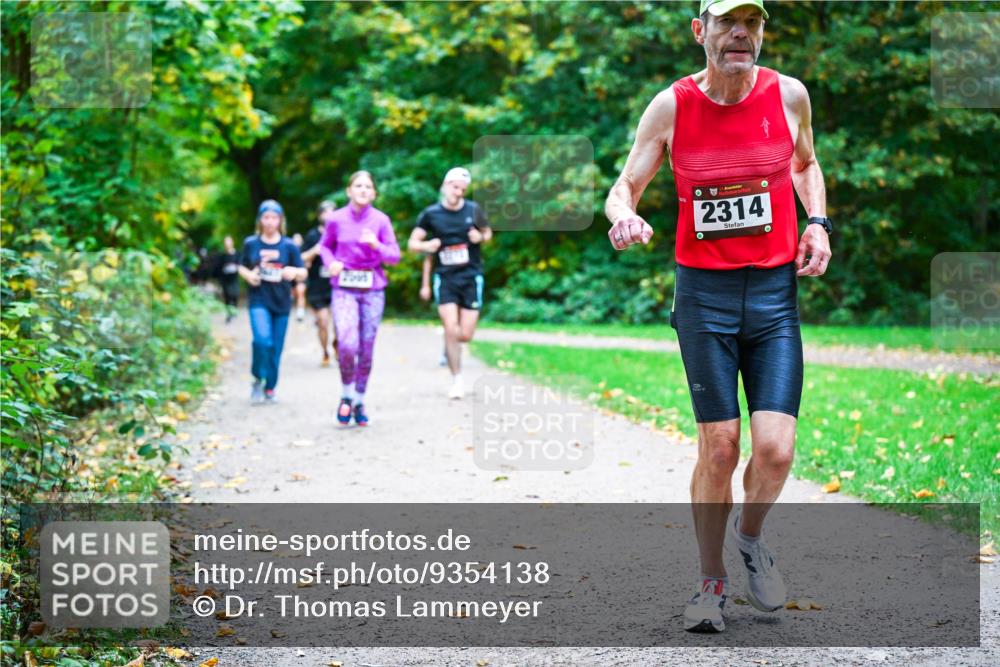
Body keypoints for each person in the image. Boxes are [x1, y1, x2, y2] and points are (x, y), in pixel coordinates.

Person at [605, 0, 832, 633]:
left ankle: (751, 537)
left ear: (761, 32)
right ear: (700, 31)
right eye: (728, 22)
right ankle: (711, 582)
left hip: (771, 296)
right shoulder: (672, 105)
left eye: (752, 23)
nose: (741, 33)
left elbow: (805, 164)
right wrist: (623, 214)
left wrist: (817, 222)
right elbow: (623, 185)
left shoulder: (788, 96)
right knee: (720, 445)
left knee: (776, 451)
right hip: (703, 297)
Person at [319, 171, 401, 426]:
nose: (363, 190)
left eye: (368, 186)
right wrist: (331, 263)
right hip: (344, 286)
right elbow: (325, 246)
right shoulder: (335, 219)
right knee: (346, 342)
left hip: (373, 287)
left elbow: (395, 256)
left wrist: (376, 245)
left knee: (366, 347)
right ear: (349, 190)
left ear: (374, 193)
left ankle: (359, 399)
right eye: (358, 185)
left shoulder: (381, 220)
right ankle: (346, 395)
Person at [407, 167, 492, 399]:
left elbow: (488, 233)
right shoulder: (430, 214)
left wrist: (480, 237)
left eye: (463, 189)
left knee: (465, 334)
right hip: (445, 278)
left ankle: (450, 343)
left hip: (471, 276)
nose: (458, 193)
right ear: (445, 186)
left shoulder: (474, 210)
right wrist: (427, 246)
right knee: (450, 328)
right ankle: (457, 380)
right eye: (455, 187)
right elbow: (412, 243)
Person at [238, 200, 307, 404]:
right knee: (262, 341)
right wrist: (249, 275)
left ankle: (270, 387)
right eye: (266, 217)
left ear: (280, 220)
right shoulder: (251, 243)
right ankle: (257, 376)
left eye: (274, 217)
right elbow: (241, 266)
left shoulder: (289, 246)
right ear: (260, 220)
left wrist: (294, 272)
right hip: (259, 299)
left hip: (282, 303)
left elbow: (303, 271)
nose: (270, 222)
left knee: (275, 348)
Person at [301, 201, 338, 366]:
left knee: (340, 322)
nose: (329, 215)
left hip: (337, 285)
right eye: (325, 212)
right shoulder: (311, 235)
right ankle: (325, 352)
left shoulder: (341, 233)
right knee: (323, 321)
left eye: (332, 212)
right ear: (319, 215)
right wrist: (313, 251)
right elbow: (300, 259)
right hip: (317, 285)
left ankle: (337, 343)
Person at [419, 254, 448, 367]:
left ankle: (452, 346)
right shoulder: (438, 236)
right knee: (448, 322)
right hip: (444, 280)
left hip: (467, 281)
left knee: (461, 329)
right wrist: (425, 285)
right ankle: (447, 352)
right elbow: (428, 258)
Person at [216, 235, 241, 323]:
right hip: (225, 279)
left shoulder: (237, 253)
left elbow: (240, 265)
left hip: (234, 278)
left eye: (229, 241)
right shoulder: (222, 255)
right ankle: (229, 314)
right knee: (227, 296)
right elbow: (218, 267)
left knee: (234, 295)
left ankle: (234, 311)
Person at [291, 232, 307, 322]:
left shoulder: (304, 250)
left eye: (299, 239)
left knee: (301, 292)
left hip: (301, 277)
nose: (297, 241)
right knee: (293, 294)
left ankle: (300, 313)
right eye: (295, 239)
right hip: (291, 277)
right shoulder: (289, 249)